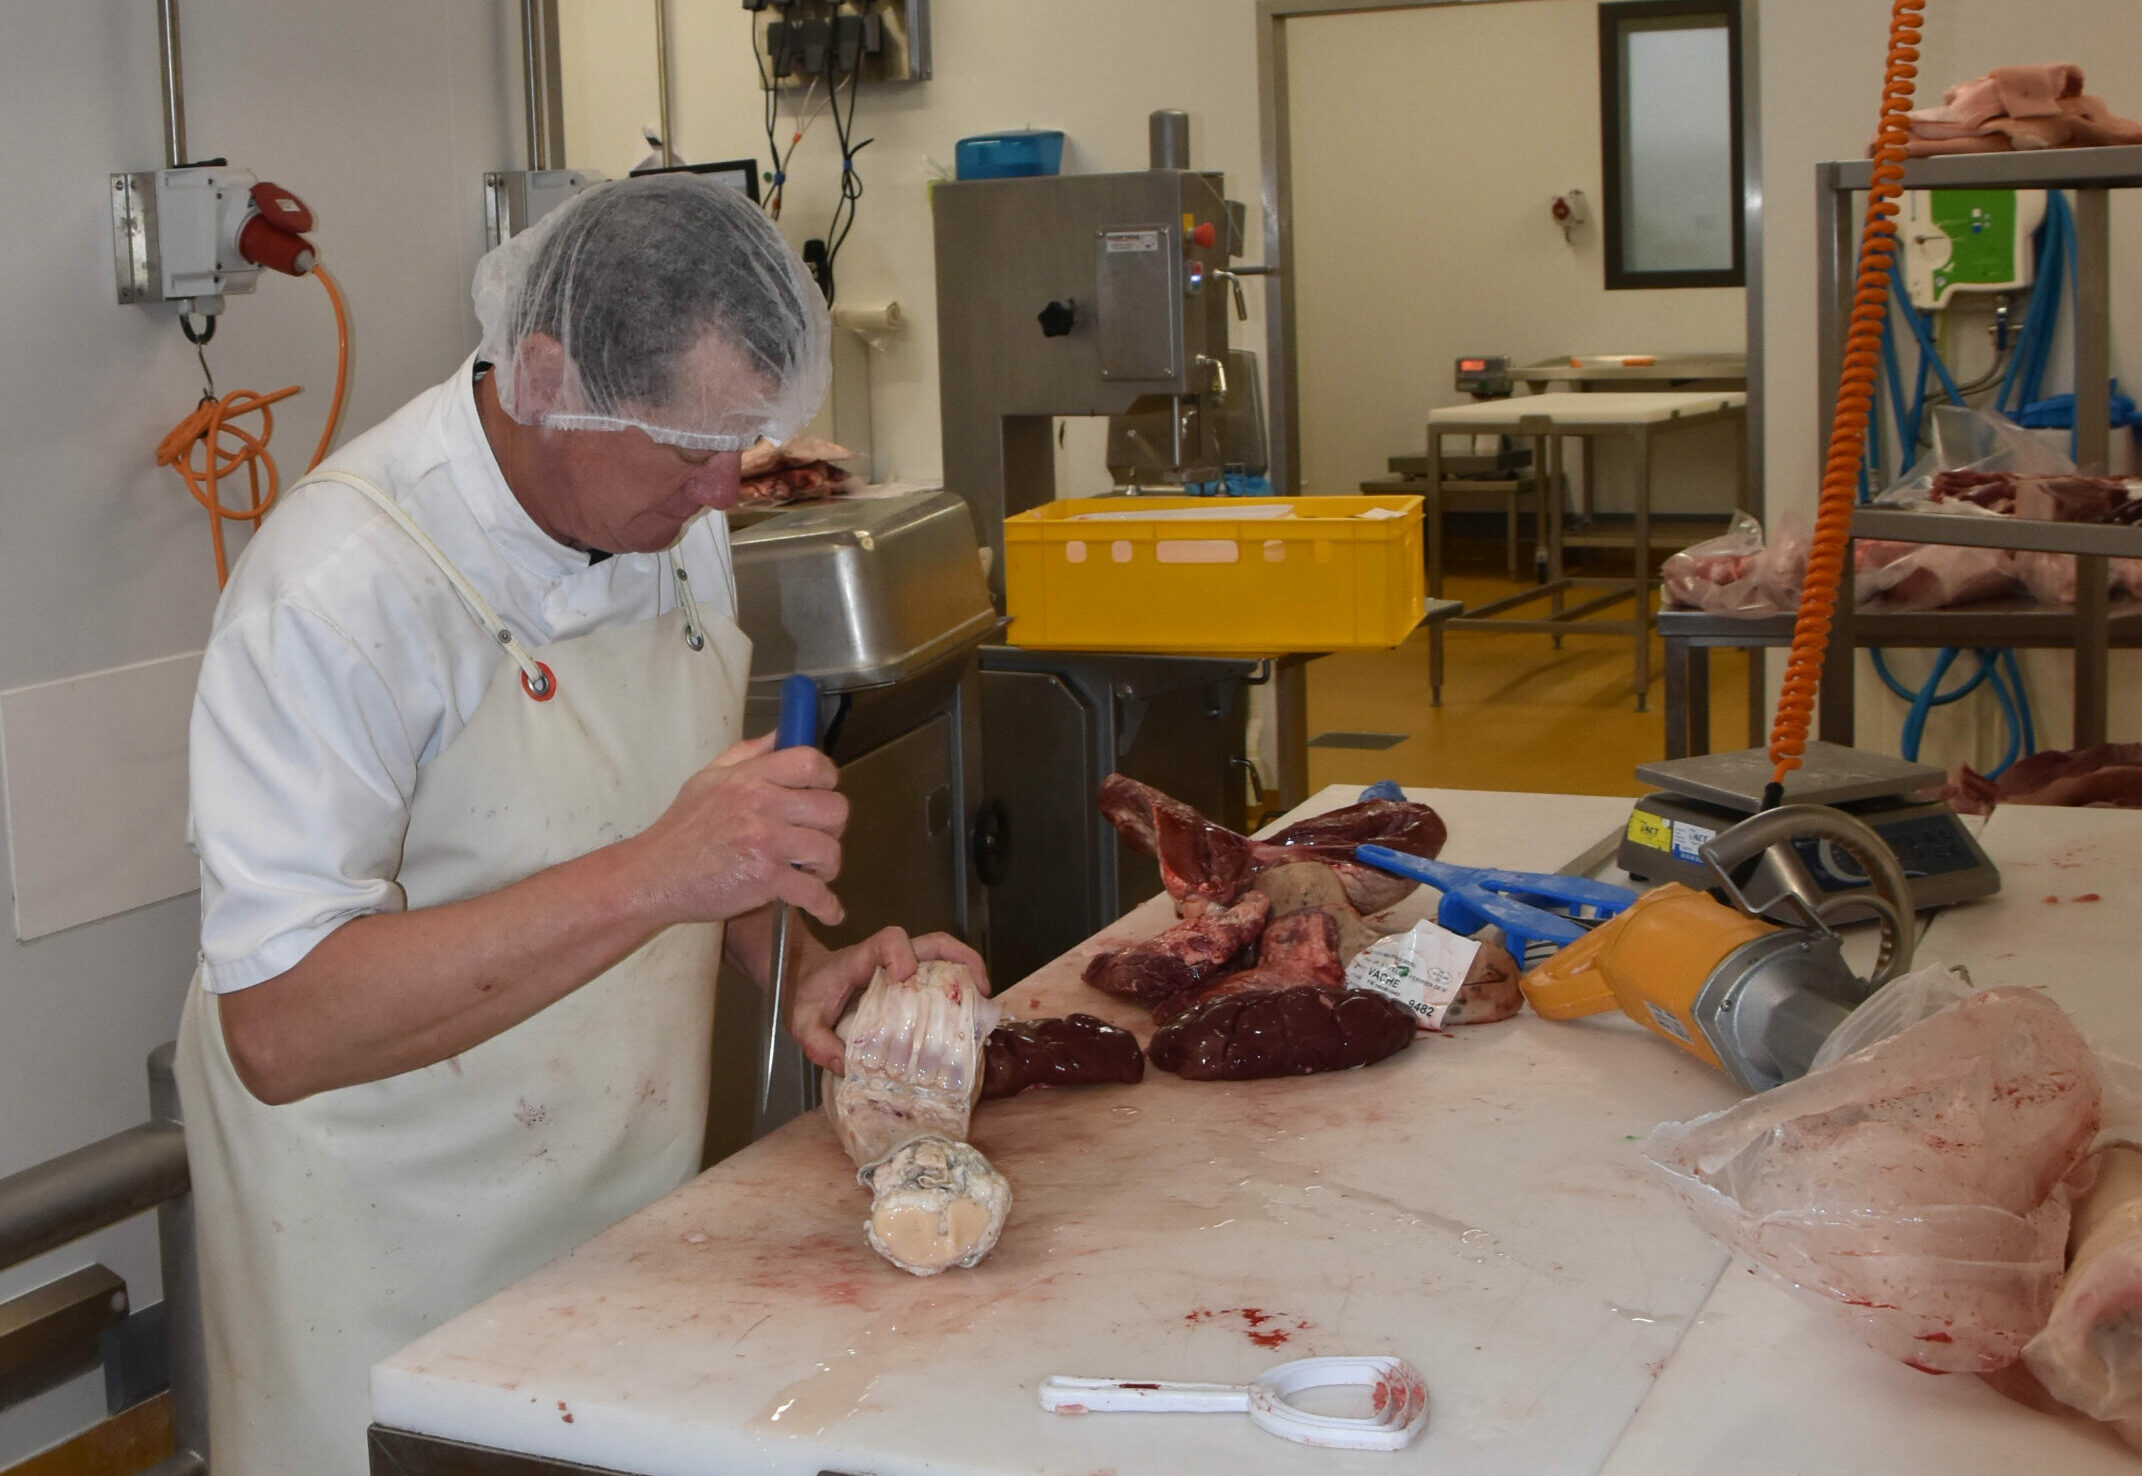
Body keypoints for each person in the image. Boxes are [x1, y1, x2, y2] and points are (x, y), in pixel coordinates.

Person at [173, 174, 986, 1474]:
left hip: (619, 1198)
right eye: (688, 450)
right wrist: (659, 873)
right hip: (385, 1241)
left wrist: (791, 964)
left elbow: (670, 816)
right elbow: (277, 1025)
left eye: (742, 443)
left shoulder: (671, 521)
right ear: (546, 377)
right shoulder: (340, 589)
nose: (721, 491)